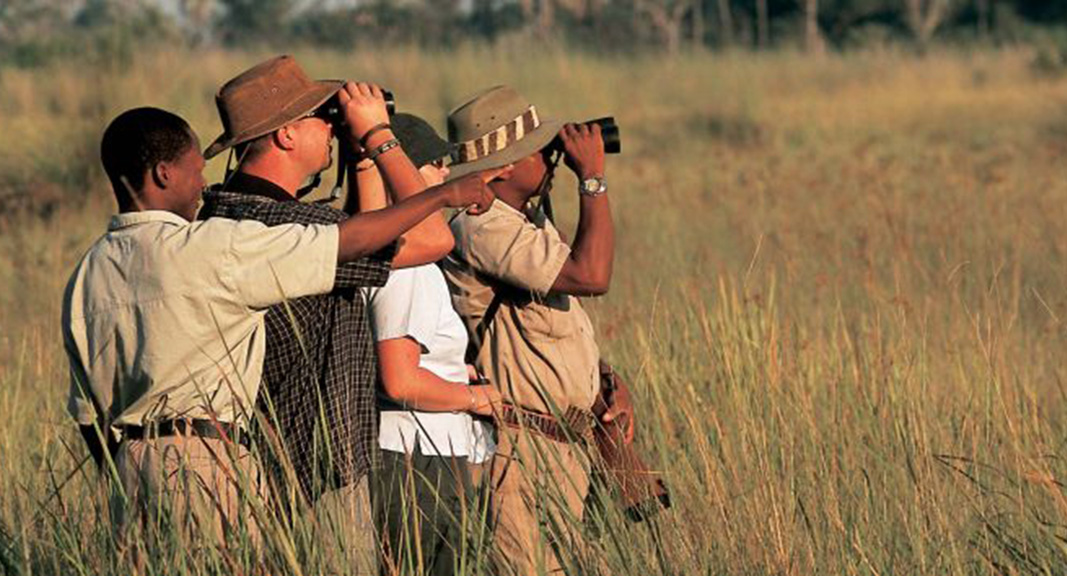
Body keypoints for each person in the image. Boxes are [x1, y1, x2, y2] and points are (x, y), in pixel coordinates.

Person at [62, 106, 497, 547]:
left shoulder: (90, 269)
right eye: (195, 171)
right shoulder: (210, 246)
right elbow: (364, 241)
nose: (202, 186)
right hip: (208, 458)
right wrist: (435, 191)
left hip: (128, 466)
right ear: (162, 174)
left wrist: (127, 471)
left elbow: (88, 415)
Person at [195, 55, 486, 569]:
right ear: (286, 136)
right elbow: (432, 236)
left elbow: (365, 228)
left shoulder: (224, 213)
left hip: (248, 467)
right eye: (319, 115)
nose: (332, 125)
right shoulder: (292, 229)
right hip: (318, 473)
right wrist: (378, 135)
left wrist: (361, 162)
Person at [439, 85, 633, 574]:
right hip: (523, 450)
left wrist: (603, 384)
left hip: (565, 447)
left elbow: (551, 329)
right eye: (541, 150)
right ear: (503, 166)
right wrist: (591, 179)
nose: (553, 157)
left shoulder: (527, 222)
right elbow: (592, 276)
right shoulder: (482, 227)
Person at [352, 113, 500, 575]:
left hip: (423, 453)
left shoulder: (398, 257)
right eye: (434, 164)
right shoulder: (408, 269)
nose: (443, 174)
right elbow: (399, 380)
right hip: (418, 458)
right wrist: (475, 398)